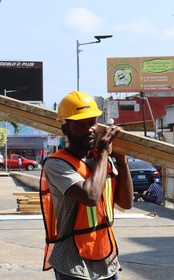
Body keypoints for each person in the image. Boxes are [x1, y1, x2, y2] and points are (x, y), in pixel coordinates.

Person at [40, 91, 134, 279]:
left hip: (106, 257)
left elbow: (126, 203)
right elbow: (89, 196)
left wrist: (122, 162)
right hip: (73, 263)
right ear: (65, 130)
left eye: (92, 123)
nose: (89, 129)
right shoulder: (57, 164)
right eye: (80, 125)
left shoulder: (101, 160)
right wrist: (104, 154)